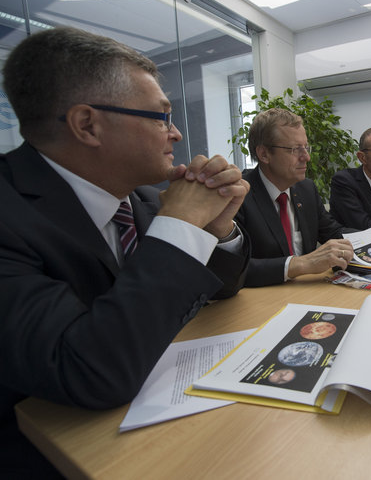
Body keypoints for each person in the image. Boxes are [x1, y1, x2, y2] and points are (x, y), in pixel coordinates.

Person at [0, 27, 250, 477]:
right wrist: (179, 227)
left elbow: (223, 290)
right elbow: (89, 372)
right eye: (160, 117)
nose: (174, 134)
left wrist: (217, 228)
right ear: (87, 124)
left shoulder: (144, 198)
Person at [234, 108, 354, 287]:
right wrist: (301, 264)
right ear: (264, 154)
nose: (306, 157)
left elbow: (334, 232)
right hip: (263, 302)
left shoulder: (306, 189)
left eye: (306, 147)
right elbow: (233, 269)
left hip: (306, 292)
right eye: (295, 149)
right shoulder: (238, 195)